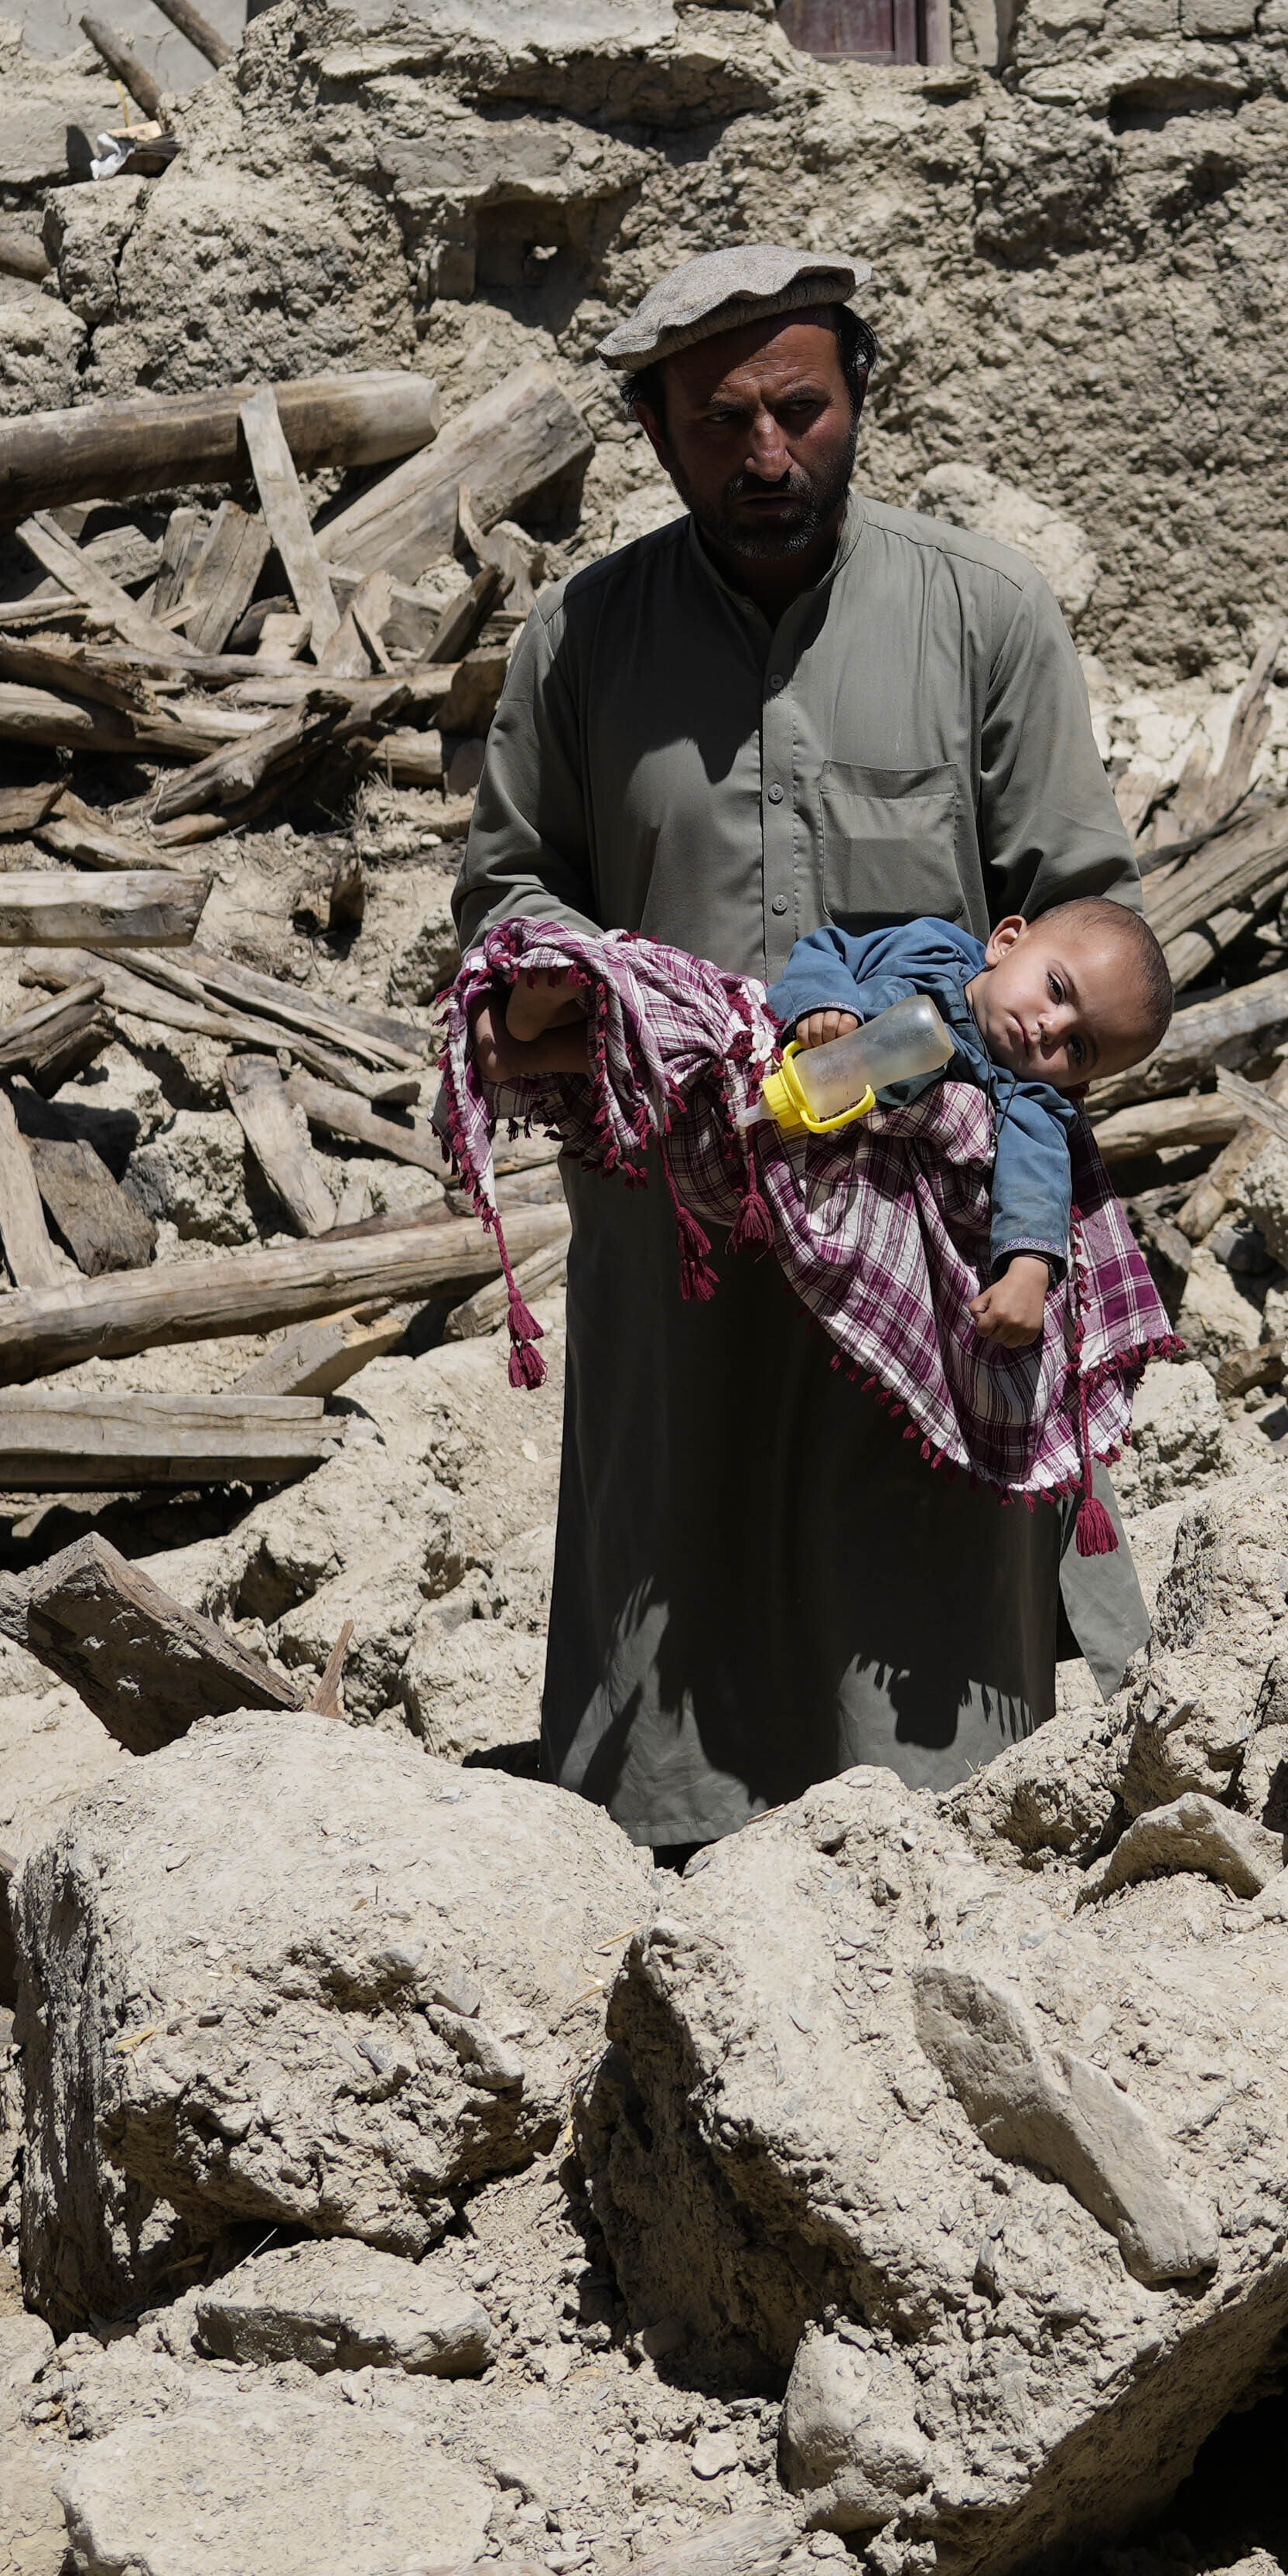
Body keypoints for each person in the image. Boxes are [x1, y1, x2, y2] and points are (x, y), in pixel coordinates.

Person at [451, 240, 1137, 1852]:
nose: (767, 457)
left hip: (927, 1218)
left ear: (860, 400)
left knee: (917, 1578)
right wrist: (563, 999)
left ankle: (941, 1846)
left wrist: (1006, 1070)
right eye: (720, 423)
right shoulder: (586, 639)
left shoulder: (986, 618)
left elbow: (1083, 908)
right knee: (676, 1529)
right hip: (682, 1210)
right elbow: (506, 891)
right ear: (655, 434)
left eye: (802, 410)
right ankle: (672, 1862)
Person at [772, 895, 1174, 1356]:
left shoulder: (1024, 1099)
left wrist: (1028, 1273)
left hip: (853, 1207)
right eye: (1057, 990)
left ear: (1079, 1087)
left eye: (1078, 1048)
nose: (1051, 1027)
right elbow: (827, 951)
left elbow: (1037, 1182)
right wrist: (825, 1007)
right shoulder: (924, 949)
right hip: (786, 1096)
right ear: (1005, 942)